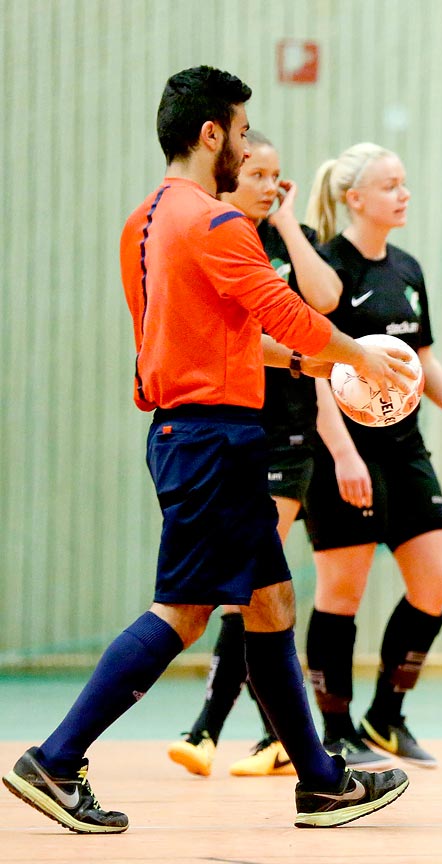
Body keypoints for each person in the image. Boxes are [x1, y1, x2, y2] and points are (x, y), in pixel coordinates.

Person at [2, 66, 412, 833]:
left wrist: (310, 362)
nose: (251, 143)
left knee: (269, 602)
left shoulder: (143, 223)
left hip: (185, 431)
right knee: (185, 612)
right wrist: (357, 353)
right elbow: (285, 310)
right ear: (212, 134)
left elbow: (224, 335)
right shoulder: (216, 224)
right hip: (213, 440)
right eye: (244, 129)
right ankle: (55, 760)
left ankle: (319, 780)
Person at [301, 141, 442, 771]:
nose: (404, 193)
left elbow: (424, 362)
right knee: (343, 590)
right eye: (390, 185)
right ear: (354, 198)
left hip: (404, 445)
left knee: (435, 579)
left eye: (405, 183)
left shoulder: (409, 268)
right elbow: (313, 368)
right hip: (344, 451)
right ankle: (333, 733)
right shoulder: (328, 270)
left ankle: (385, 717)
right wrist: (341, 453)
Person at [166, 129, 343, 779]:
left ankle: (215, 730)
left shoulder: (281, 241)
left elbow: (323, 301)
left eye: (279, 177)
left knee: (253, 588)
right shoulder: (215, 236)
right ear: (230, 172)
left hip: (286, 434)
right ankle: (276, 739)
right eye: (259, 174)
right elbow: (267, 336)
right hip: (231, 427)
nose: (270, 185)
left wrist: (292, 227)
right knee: (251, 590)